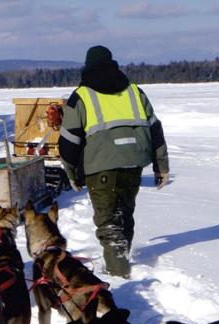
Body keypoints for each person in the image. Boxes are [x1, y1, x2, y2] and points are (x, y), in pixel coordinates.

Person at [59, 45, 169, 278]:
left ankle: (118, 274)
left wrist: (71, 172)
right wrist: (162, 166)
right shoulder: (134, 91)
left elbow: (69, 139)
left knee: (108, 221)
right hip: (134, 162)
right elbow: (155, 129)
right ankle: (121, 258)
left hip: (101, 166)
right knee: (124, 213)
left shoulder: (82, 95)